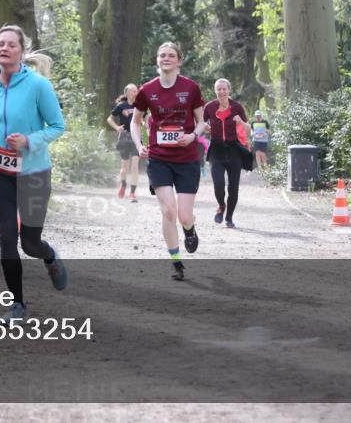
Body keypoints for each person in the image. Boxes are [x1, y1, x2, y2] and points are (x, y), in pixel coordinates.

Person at [0, 25, 67, 322]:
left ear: (22, 51)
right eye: (0, 44)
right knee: (7, 237)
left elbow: (57, 126)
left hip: (34, 173)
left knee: (29, 243)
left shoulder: (37, 85)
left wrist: (29, 142)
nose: (5, 48)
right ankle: (17, 304)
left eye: (11, 44)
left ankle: (49, 256)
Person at [130, 42, 205, 281]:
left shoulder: (191, 88)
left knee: (184, 215)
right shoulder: (147, 90)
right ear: (157, 60)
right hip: (159, 158)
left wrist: (193, 135)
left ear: (179, 61)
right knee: (168, 210)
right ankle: (176, 261)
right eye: (162, 55)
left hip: (187, 158)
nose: (166, 58)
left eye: (171, 55)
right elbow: (135, 121)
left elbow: (202, 122)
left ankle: (190, 228)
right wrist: (139, 145)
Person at [203, 78, 249, 229]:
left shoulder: (237, 107)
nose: (221, 92)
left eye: (224, 89)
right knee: (218, 183)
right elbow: (200, 125)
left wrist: (240, 122)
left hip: (234, 149)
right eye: (219, 89)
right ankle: (221, 205)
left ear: (229, 90)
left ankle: (229, 216)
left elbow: (249, 129)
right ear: (215, 91)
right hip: (216, 149)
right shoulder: (209, 107)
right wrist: (205, 127)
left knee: (233, 187)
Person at [106, 84, 140, 202]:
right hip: (124, 137)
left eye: (137, 91)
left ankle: (132, 193)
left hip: (136, 138)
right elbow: (109, 119)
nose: (136, 93)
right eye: (133, 91)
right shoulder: (121, 106)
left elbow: (145, 118)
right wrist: (117, 127)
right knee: (124, 166)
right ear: (127, 93)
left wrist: (148, 126)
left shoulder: (140, 105)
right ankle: (123, 185)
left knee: (135, 166)